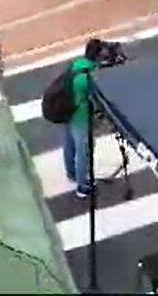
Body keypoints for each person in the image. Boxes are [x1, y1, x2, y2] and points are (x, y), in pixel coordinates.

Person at [63, 40, 101, 199]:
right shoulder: (91, 75)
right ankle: (82, 185)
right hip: (81, 117)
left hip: (67, 110)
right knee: (83, 152)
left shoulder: (76, 65)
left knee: (69, 144)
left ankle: (71, 173)